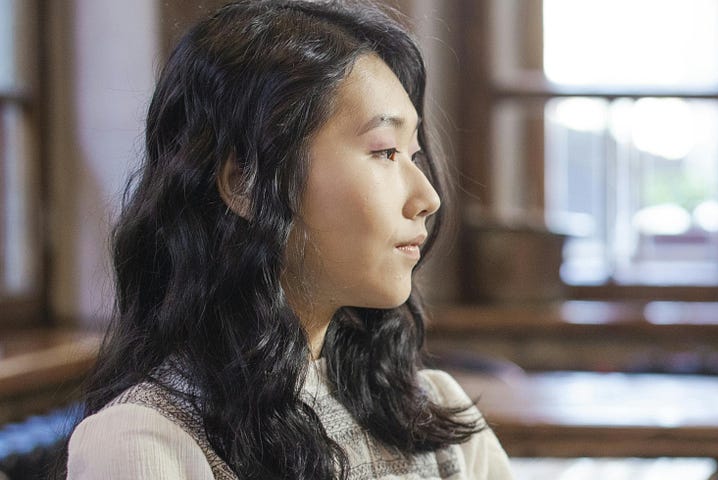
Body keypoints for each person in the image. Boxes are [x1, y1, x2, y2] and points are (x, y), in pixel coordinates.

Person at [65, 1, 512, 478]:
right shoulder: (147, 443)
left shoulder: (434, 412)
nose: (428, 197)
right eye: (384, 151)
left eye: (414, 154)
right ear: (246, 183)